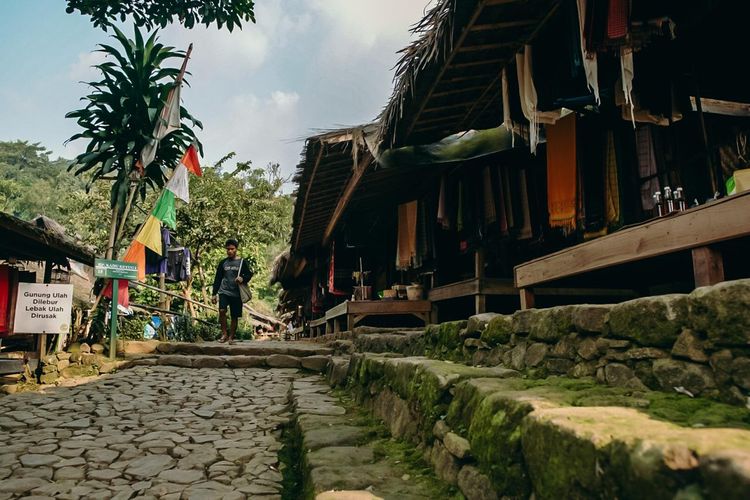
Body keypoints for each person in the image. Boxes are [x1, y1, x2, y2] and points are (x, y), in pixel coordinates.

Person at [212, 238, 253, 344]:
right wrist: (214, 294)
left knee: (234, 316)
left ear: (236, 249)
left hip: (237, 293)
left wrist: (242, 278)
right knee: (222, 311)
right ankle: (224, 334)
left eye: (232, 249)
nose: (230, 251)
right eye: (228, 249)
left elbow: (249, 274)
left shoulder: (242, 262)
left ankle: (231, 337)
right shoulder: (223, 263)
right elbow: (218, 278)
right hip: (224, 291)